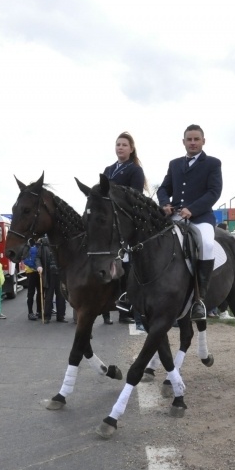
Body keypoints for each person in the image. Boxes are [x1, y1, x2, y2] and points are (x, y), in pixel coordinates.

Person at [157, 124, 223, 320]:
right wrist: (164, 203)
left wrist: (192, 209)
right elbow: (163, 188)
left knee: (208, 244)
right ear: (183, 142)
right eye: (189, 139)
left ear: (203, 141)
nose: (192, 142)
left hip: (201, 217)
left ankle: (200, 299)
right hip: (175, 215)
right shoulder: (175, 164)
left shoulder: (213, 163)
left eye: (196, 139)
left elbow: (214, 192)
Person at [103, 131, 147, 326]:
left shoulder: (135, 170)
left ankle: (130, 306)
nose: (120, 147)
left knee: (128, 264)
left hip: (126, 219)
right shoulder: (108, 169)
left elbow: (134, 196)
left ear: (131, 148)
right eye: (118, 144)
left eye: (124, 145)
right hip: (108, 219)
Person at [36, 236, 67, 323]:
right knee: (49, 296)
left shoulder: (61, 243)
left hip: (60, 273)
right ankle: (47, 316)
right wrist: (39, 266)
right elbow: (37, 257)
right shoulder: (44, 244)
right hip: (49, 274)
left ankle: (61, 316)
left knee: (61, 296)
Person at [23, 240, 41, 320]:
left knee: (40, 292)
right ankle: (30, 312)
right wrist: (34, 267)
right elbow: (25, 260)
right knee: (31, 293)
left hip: (39, 272)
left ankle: (39, 311)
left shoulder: (39, 246)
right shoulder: (27, 247)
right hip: (31, 272)